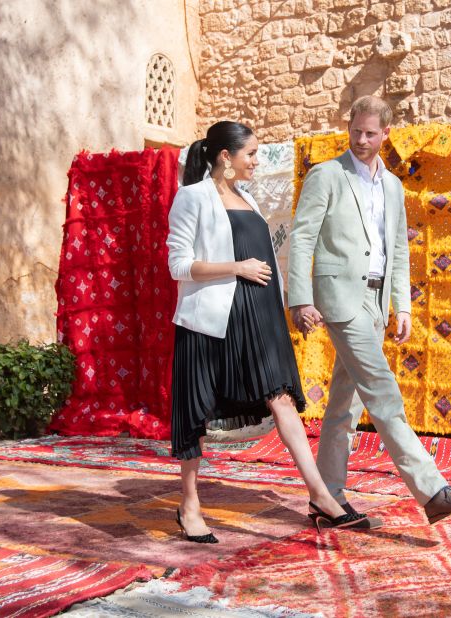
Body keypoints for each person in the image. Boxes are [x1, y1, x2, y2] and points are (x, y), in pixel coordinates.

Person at [167, 121, 367, 543]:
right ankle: (189, 504)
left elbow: (268, 265)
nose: (257, 161)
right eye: (251, 154)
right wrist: (236, 268)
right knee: (195, 411)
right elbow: (178, 265)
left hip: (260, 318)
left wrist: (291, 306)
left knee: (282, 402)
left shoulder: (249, 200)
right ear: (226, 157)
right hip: (212, 321)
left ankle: (321, 498)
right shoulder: (192, 198)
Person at [288, 96, 451, 525]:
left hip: (376, 304)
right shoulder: (326, 175)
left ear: (386, 134)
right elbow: (302, 238)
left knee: (344, 408)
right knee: (384, 394)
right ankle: (433, 492)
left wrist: (402, 306)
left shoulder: (393, 185)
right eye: (355, 131)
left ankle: (327, 500)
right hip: (340, 300)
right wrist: (300, 299)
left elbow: (398, 249)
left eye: (370, 133)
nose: (360, 140)